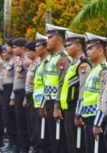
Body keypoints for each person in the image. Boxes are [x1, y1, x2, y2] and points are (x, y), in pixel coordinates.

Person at [76, 32, 107, 153]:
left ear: (100, 50)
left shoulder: (104, 70)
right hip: (88, 117)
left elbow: (103, 98)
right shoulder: (94, 69)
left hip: (97, 118)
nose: (87, 51)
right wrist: (79, 114)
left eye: (90, 48)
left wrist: (97, 123)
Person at [40, 24, 71, 153]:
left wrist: (57, 106)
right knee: (52, 138)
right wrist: (43, 103)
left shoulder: (63, 58)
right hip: (49, 101)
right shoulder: (52, 58)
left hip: (56, 103)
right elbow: (47, 83)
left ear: (58, 39)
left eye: (50, 37)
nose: (47, 40)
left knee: (59, 140)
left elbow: (62, 83)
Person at [10, 38, 30, 153]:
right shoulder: (17, 60)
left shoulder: (26, 60)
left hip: (23, 93)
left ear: (22, 47)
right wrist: (12, 96)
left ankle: (24, 148)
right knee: (18, 122)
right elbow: (15, 80)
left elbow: (28, 78)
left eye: (15, 47)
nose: (14, 49)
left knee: (22, 123)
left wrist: (25, 97)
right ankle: (19, 146)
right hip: (17, 93)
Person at [33, 33, 51, 153]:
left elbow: (47, 84)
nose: (35, 48)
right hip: (38, 101)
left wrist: (43, 104)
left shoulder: (47, 63)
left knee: (45, 135)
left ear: (45, 47)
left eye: (38, 45)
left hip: (44, 102)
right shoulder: (41, 62)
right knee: (38, 131)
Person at [0, 38, 17, 153]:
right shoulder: (7, 62)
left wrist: (12, 97)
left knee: (12, 119)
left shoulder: (15, 62)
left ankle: (14, 145)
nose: (5, 49)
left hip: (11, 90)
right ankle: (11, 143)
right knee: (7, 119)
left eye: (8, 47)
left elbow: (16, 81)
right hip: (5, 91)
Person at [23, 41, 40, 152]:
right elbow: (28, 83)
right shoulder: (32, 64)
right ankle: (33, 145)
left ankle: (36, 147)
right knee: (30, 123)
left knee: (35, 124)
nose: (27, 53)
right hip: (29, 96)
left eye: (29, 50)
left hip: (35, 97)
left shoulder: (38, 64)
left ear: (34, 51)